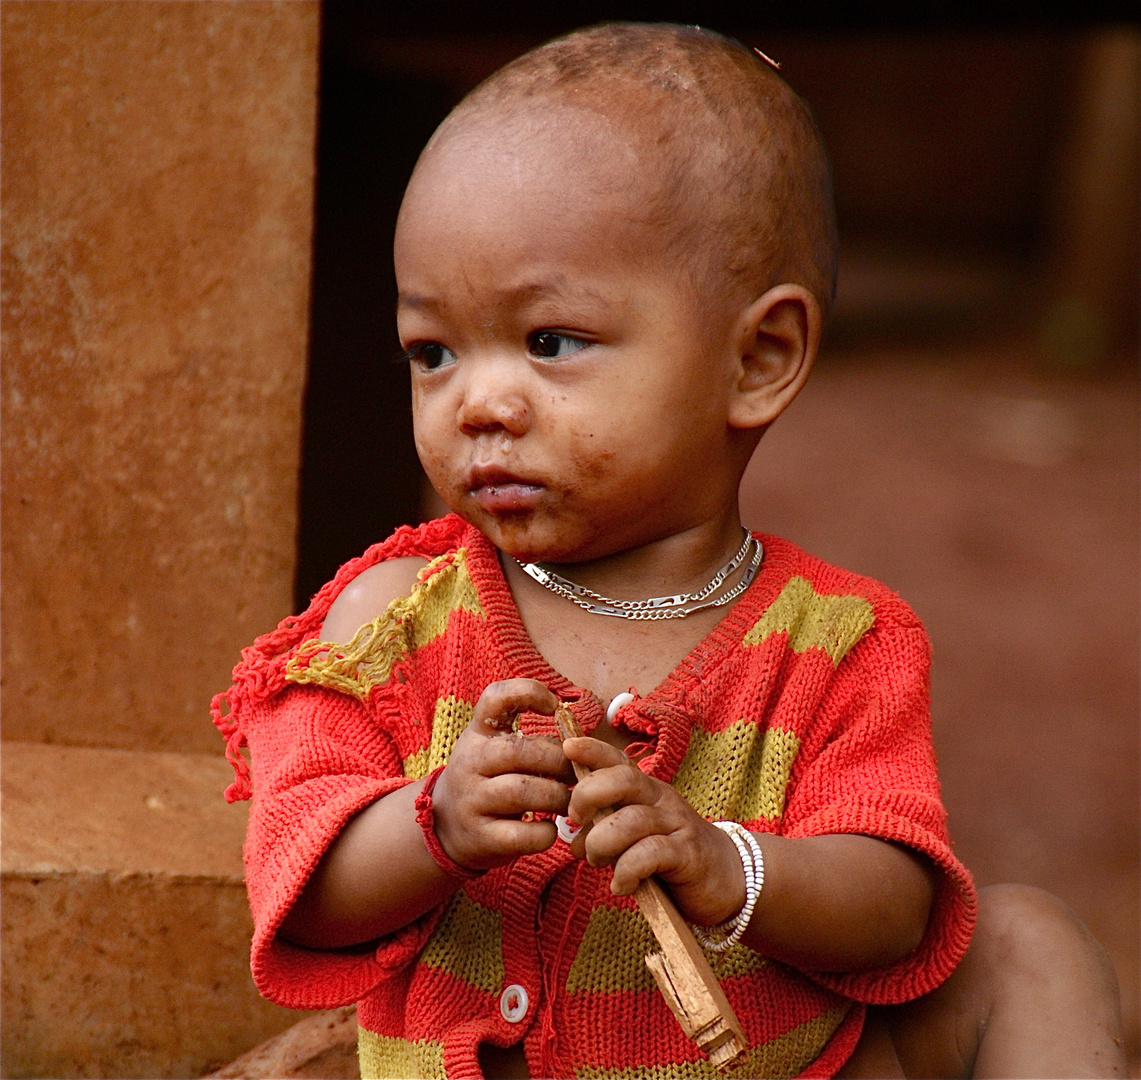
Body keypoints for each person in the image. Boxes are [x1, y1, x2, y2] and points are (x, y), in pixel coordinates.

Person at [213, 23, 1125, 1079]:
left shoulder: (837, 644)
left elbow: (898, 906)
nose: (478, 403)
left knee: (1028, 944)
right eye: (433, 352)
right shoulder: (388, 623)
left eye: (549, 341)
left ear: (757, 360)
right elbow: (295, 885)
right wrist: (435, 825)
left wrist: (726, 863)